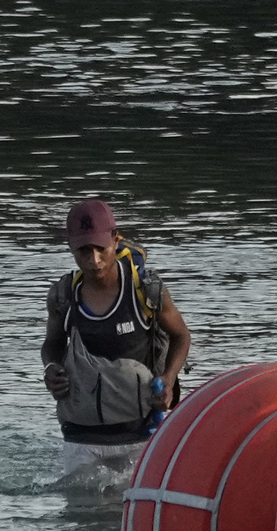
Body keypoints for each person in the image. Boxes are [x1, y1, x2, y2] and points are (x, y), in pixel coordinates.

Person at [40, 199, 192, 474]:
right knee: (80, 501)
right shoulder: (62, 296)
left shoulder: (147, 290)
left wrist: (169, 379)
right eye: (83, 251)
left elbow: (181, 336)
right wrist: (51, 367)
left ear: (116, 240)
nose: (94, 260)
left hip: (140, 434)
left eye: (101, 248)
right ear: (71, 247)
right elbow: (52, 343)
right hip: (80, 437)